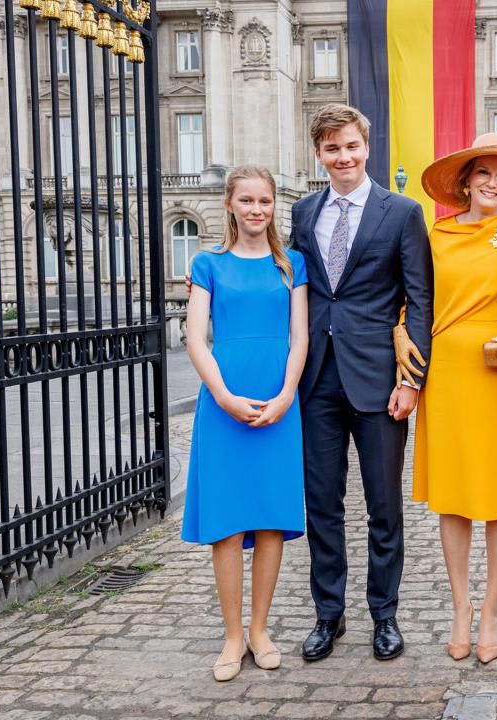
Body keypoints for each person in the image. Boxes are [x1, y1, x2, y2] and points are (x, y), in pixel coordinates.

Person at [393, 133, 497, 664]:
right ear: (465, 180)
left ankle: (492, 607)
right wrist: (401, 330)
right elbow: (414, 295)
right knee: (455, 493)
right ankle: (460, 604)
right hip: (447, 373)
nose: (492, 182)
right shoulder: (435, 233)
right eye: (483, 172)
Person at [291, 103, 433, 663]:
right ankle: (329, 614)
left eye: (351, 146)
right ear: (319, 153)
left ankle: (385, 615)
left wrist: (412, 379)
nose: (343, 156)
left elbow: (418, 300)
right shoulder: (303, 213)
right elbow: (291, 286)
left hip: (379, 380)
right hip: (316, 380)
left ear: (366, 147)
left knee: (383, 506)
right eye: (332, 148)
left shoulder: (401, 213)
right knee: (322, 504)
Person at [182, 165, 310, 682]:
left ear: (274, 205)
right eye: (247, 200)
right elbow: (196, 338)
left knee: (270, 516)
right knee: (228, 522)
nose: (257, 209)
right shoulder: (208, 262)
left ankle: (261, 628)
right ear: (230, 205)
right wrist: (223, 396)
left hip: (279, 401)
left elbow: (300, 337)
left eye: (265, 201)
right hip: (225, 401)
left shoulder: (291, 264)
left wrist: (285, 396)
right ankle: (233, 634)